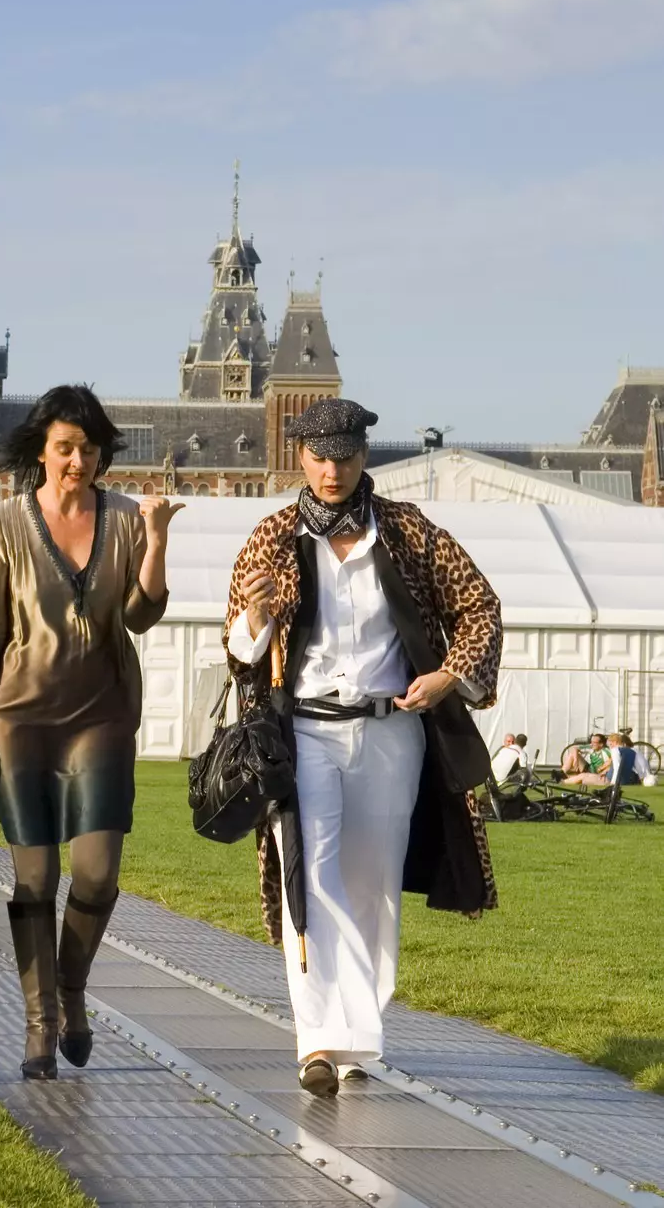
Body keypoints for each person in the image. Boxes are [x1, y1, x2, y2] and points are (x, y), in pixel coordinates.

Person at [224, 398, 502, 1099]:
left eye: (344, 457)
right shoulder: (272, 536)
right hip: (306, 732)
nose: (331, 470)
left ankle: (357, 1040)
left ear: (363, 456)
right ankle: (317, 1038)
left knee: (375, 886)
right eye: (319, 457)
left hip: (391, 733)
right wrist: (255, 616)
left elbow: (481, 607)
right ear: (301, 457)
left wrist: (449, 674)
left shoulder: (409, 534)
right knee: (310, 876)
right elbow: (239, 648)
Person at [0, 384, 178, 1081]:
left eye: (87, 448)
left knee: (97, 871)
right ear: (43, 452)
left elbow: (142, 616)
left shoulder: (126, 518)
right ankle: (40, 1020)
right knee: (36, 875)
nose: (76, 460)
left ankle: (74, 988)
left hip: (102, 711)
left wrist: (159, 536)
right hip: (20, 718)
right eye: (64, 448)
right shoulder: (4, 522)